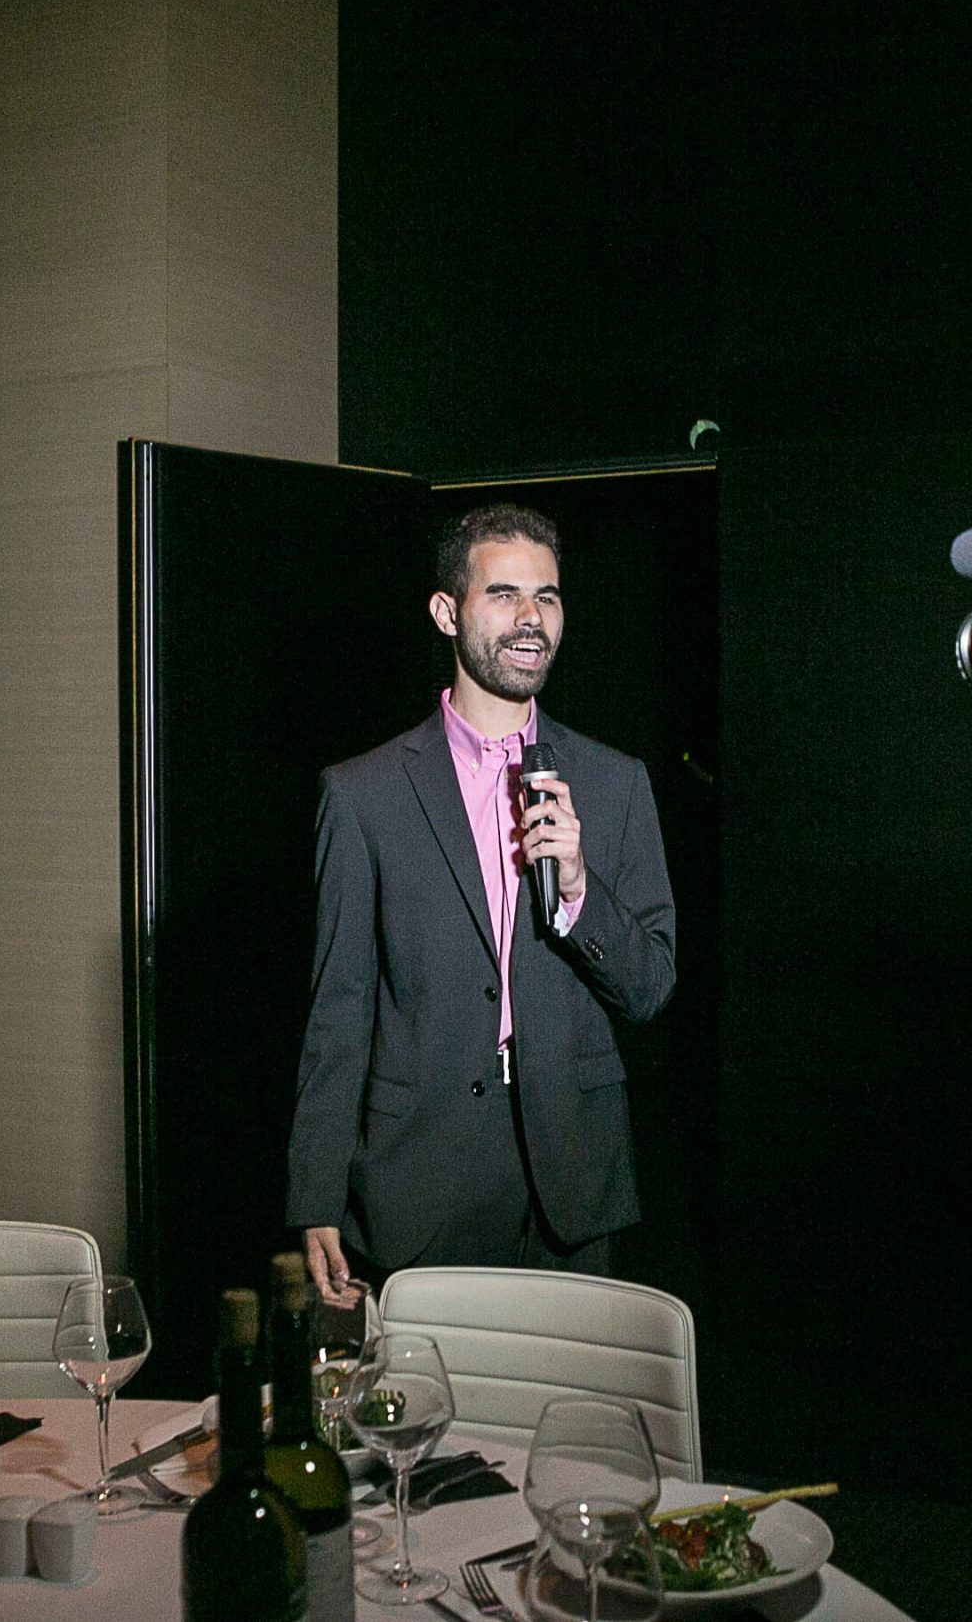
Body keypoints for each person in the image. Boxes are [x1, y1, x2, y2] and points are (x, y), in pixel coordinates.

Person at [285, 504, 678, 1307]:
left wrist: (578, 887)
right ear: (446, 611)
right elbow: (339, 1007)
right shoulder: (363, 795)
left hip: (572, 1178)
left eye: (548, 596)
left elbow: (651, 986)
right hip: (418, 1175)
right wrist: (315, 1188)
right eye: (503, 593)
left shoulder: (616, 782)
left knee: (562, 1392)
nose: (531, 617)